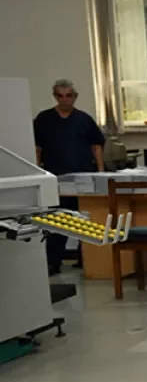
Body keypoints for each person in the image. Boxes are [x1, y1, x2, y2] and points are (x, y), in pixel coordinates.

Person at [33, 78, 105, 274]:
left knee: (85, 219)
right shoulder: (44, 119)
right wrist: (35, 170)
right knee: (58, 221)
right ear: (55, 96)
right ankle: (53, 262)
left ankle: (86, 261)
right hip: (56, 177)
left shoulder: (84, 119)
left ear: (75, 97)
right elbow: (38, 148)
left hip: (83, 177)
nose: (65, 99)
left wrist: (100, 171)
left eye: (69, 95)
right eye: (60, 95)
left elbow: (97, 145)